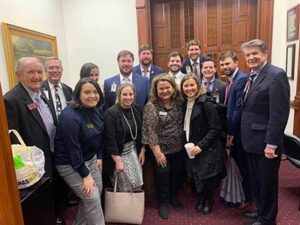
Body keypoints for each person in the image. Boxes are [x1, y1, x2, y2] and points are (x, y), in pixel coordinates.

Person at [240, 39, 290, 225]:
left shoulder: (276, 75)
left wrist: (272, 144)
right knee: (256, 181)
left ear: (264, 54)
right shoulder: (251, 76)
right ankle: (261, 211)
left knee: (267, 185)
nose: (251, 57)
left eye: (255, 53)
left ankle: (268, 220)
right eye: (248, 54)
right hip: (251, 141)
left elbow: (279, 114)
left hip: (266, 144)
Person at [4, 57, 58, 223]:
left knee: (51, 192)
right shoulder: (11, 99)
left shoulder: (39, 93)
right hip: (31, 164)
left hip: (48, 153)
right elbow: (12, 141)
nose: (37, 76)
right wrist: (21, 169)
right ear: (18, 75)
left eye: (39, 71)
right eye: (31, 72)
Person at [54, 78, 105, 225]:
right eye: (87, 92)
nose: (92, 96)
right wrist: (85, 174)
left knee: (95, 193)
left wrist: (100, 157)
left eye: (95, 92)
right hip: (69, 163)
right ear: (78, 94)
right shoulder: (69, 117)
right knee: (92, 197)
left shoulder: (96, 109)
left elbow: (99, 135)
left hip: (90, 158)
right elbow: (73, 150)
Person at [181, 73, 226, 215]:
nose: (189, 88)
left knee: (205, 176)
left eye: (192, 85)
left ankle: (208, 200)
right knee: (196, 174)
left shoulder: (206, 102)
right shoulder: (186, 102)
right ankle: (202, 199)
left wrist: (201, 146)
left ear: (198, 85)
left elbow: (215, 129)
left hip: (206, 147)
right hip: (191, 144)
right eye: (186, 85)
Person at [142, 74, 184, 219]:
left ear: (173, 87)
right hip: (161, 150)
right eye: (161, 88)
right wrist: (158, 153)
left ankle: (173, 197)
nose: (165, 91)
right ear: (156, 90)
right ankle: (163, 202)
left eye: (167, 87)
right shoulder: (151, 105)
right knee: (162, 176)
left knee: (177, 174)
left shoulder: (179, 102)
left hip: (179, 148)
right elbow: (150, 131)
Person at [219, 51, 251, 209]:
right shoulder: (231, 80)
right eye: (223, 64)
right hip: (234, 130)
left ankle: (248, 198)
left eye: (227, 64)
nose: (225, 67)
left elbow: (238, 109)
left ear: (236, 63)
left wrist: (231, 133)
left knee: (244, 166)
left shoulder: (241, 79)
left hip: (239, 133)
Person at [104, 83, 145, 191]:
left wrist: (142, 150)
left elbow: (141, 132)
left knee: (137, 183)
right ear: (119, 95)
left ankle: (133, 206)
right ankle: (123, 207)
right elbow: (110, 140)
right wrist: (118, 161)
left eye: (131, 94)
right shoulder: (111, 113)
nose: (128, 97)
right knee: (124, 186)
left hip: (132, 150)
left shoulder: (136, 109)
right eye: (125, 94)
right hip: (118, 154)